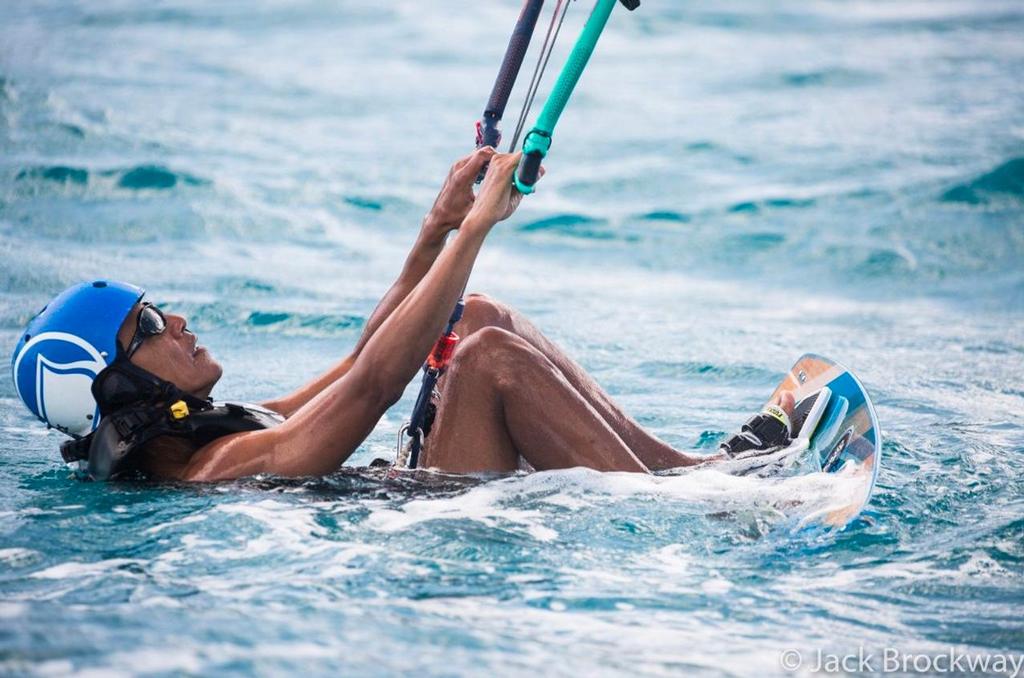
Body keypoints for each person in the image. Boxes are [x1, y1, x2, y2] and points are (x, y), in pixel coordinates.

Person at [12, 149, 797, 482]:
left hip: (417, 490)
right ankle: (709, 511)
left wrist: (438, 227)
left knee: (476, 311)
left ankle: (695, 473)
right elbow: (372, 390)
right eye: (146, 329)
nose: (176, 321)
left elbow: (358, 366)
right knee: (486, 356)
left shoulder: (221, 424)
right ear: (116, 394)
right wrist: (482, 227)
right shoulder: (214, 469)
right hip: (434, 523)